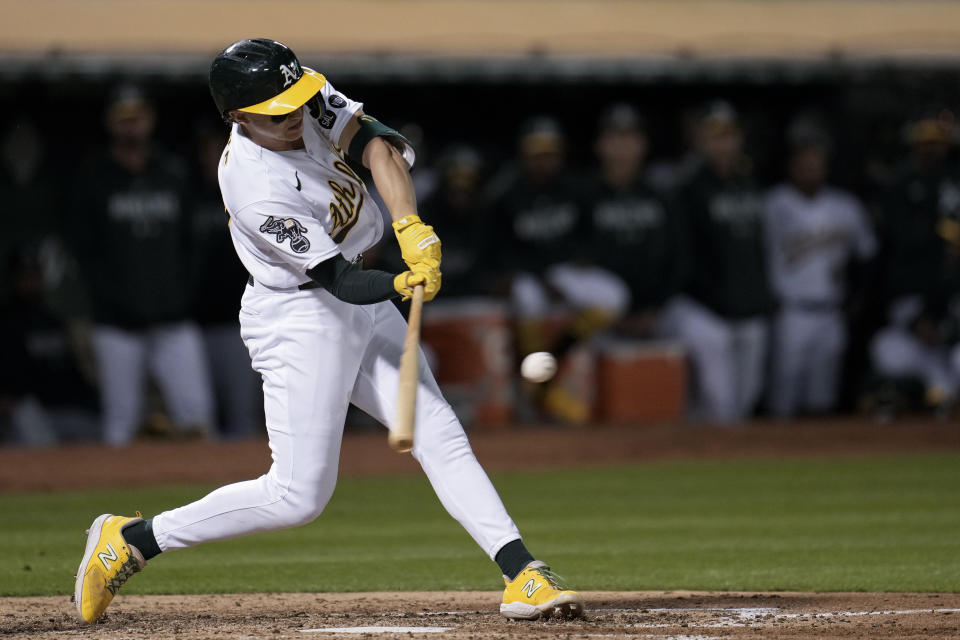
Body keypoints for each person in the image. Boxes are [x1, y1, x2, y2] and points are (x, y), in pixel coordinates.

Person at [73, 39, 584, 624]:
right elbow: (338, 280)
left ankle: (522, 572)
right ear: (238, 118)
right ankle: (133, 539)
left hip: (360, 293)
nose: (295, 115)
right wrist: (403, 283)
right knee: (297, 496)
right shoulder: (253, 187)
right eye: (277, 111)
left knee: (437, 429)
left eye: (296, 100)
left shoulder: (303, 94)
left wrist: (409, 225)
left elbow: (376, 148)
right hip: (301, 317)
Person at [67, 85, 215, 446]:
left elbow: (191, 246)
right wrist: (108, 301)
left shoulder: (172, 173)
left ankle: (204, 495)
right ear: (111, 124)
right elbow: (84, 252)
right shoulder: (95, 178)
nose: (131, 128)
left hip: (173, 320)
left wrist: (180, 296)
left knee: (197, 416)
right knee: (121, 423)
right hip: (116, 325)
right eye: (124, 121)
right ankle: (114, 497)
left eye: (137, 119)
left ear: (150, 121)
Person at [486, 116, 629, 422]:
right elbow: (501, 250)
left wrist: (583, 259)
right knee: (527, 296)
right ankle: (541, 387)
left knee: (614, 294)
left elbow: (590, 236)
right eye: (537, 155)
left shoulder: (575, 187)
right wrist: (543, 278)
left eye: (549, 154)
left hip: (564, 271)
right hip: (528, 274)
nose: (544, 161)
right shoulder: (507, 194)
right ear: (524, 156)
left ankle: (548, 369)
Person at [669, 101, 773, 423]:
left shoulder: (750, 183)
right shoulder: (688, 188)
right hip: (707, 310)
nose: (723, 144)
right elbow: (681, 253)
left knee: (746, 398)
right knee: (718, 402)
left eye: (728, 135)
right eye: (714, 136)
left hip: (750, 307)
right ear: (700, 140)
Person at [763, 124, 877, 418]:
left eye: (817, 164)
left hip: (831, 310)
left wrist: (858, 299)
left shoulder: (845, 206)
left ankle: (819, 454)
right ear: (791, 167)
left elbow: (867, 256)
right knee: (783, 392)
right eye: (804, 164)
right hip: (791, 310)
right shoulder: (774, 203)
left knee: (823, 393)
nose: (811, 170)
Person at [869, 110, 960, 411]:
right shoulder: (902, 184)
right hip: (913, 305)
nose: (932, 150)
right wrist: (915, 321)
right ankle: (917, 403)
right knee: (888, 352)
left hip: (949, 323)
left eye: (937, 143)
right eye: (925, 143)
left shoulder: (953, 180)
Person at [582, 104, 683, 339]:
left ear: (643, 144)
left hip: (658, 313)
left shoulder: (661, 196)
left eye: (629, 138)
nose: (621, 148)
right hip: (598, 316)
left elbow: (678, 257)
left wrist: (654, 309)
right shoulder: (583, 197)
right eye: (613, 138)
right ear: (599, 145)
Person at [189, 120, 262, 439]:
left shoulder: (251, 190)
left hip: (239, 323)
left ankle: (247, 482)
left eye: (216, 147)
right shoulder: (187, 195)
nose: (211, 155)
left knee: (241, 417)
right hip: (194, 322)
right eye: (205, 149)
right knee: (200, 416)